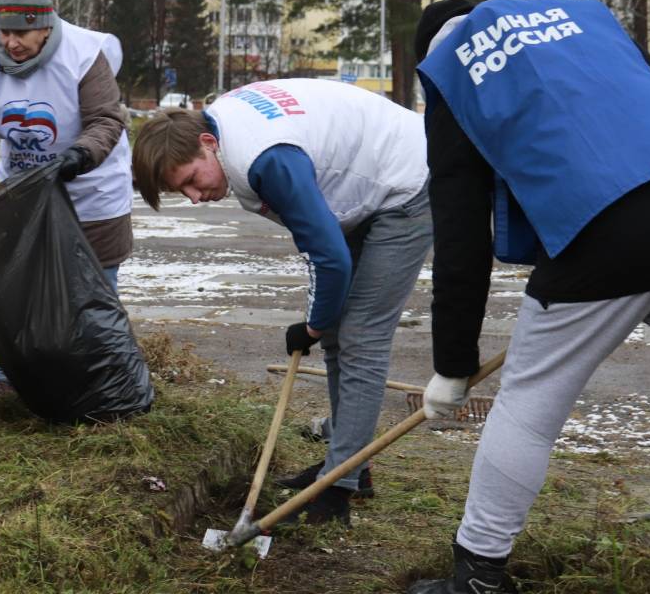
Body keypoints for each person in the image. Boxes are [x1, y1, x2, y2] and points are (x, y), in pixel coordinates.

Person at [407, 0, 650, 593]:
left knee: (527, 404)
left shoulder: (452, 68)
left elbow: (460, 233)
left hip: (602, 226)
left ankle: (477, 574)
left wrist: (452, 365)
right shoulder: (588, 19)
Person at [132, 79, 432, 524]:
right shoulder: (224, 133)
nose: (195, 198)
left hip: (409, 182)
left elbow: (328, 256)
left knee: (361, 336)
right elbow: (320, 244)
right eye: (184, 193)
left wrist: (311, 325)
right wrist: (319, 322)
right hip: (363, 179)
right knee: (336, 330)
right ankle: (350, 462)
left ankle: (339, 485)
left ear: (208, 143)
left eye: (192, 180)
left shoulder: (264, 158)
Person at [0, 0, 133, 396]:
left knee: (93, 294)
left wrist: (77, 157)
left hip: (91, 191)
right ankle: (10, 375)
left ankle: (99, 382)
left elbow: (107, 120)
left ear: (46, 25)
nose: (11, 43)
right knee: (15, 286)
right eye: (4, 32)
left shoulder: (84, 55)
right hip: (23, 193)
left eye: (22, 32)